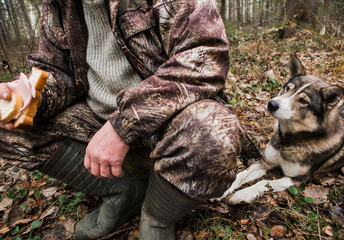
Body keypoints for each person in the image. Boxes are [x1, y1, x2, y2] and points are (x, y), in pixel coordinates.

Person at [0, 0, 259, 239]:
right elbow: (56, 70)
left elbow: (205, 56)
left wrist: (124, 124)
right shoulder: (58, 5)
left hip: (168, 122)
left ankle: (157, 217)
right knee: (9, 122)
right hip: (93, 119)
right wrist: (30, 96)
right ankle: (123, 193)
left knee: (214, 133)